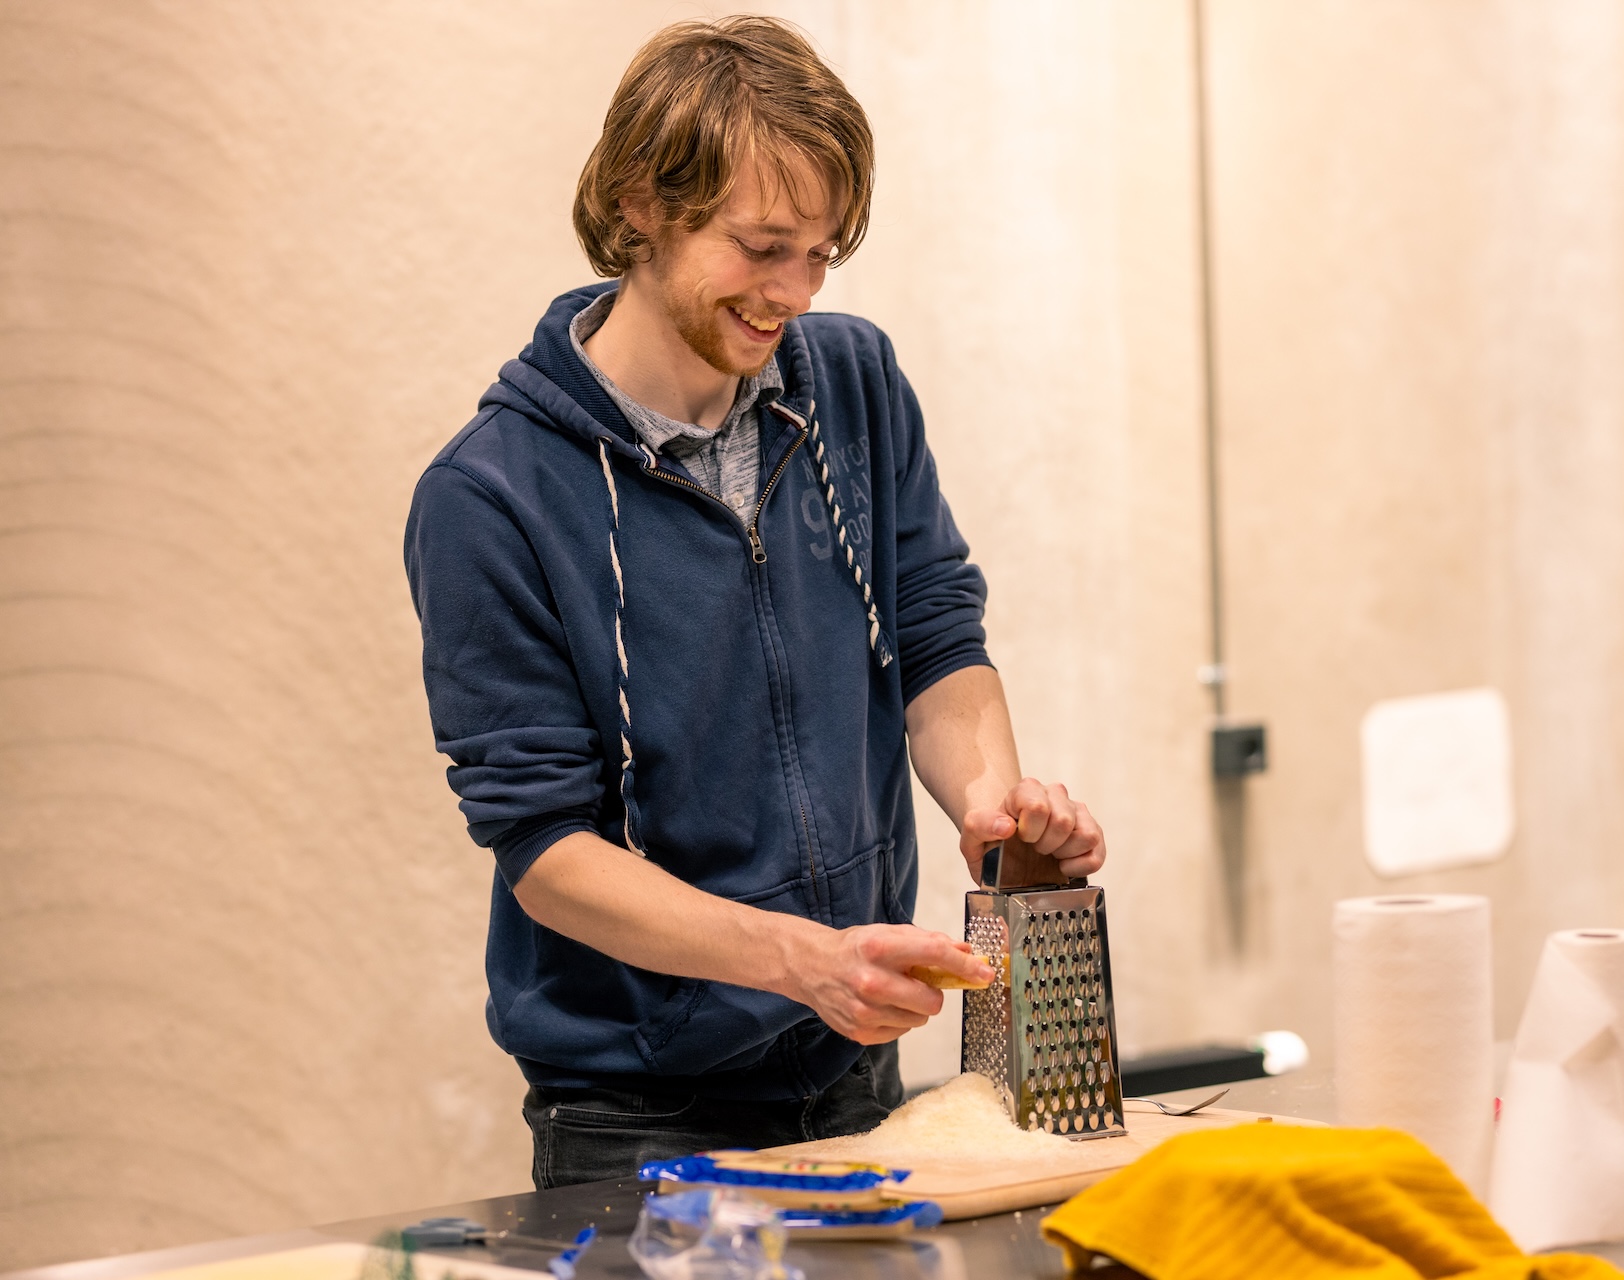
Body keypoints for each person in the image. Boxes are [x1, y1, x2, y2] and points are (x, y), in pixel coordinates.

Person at [404, 15, 1107, 1189]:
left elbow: (935, 633)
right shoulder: (490, 495)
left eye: (822, 254)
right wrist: (797, 959)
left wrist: (992, 809)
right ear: (640, 203)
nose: (794, 293)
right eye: (763, 246)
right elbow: (547, 847)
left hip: (853, 1071)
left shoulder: (853, 382)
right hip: (638, 1114)